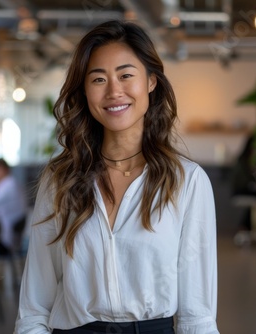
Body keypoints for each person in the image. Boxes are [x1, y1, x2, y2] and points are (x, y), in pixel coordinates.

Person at [15, 20, 219, 334]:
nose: (114, 91)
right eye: (98, 79)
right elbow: (34, 308)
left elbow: (197, 318)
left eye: (126, 75)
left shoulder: (187, 183)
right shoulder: (60, 180)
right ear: (84, 90)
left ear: (151, 81)